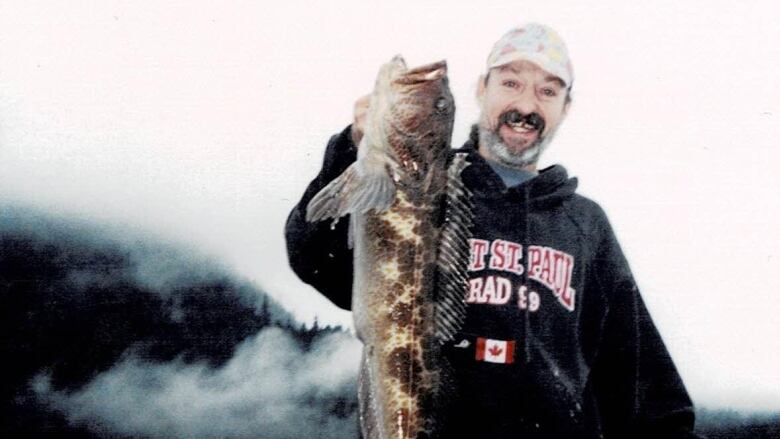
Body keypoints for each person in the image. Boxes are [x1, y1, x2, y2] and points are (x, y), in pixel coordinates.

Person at [285, 23, 700, 438]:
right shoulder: (416, 193)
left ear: (565, 108)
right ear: (482, 89)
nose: (526, 104)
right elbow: (313, 256)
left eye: (548, 91)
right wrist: (353, 147)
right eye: (511, 82)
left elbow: (640, 378)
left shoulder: (586, 225)